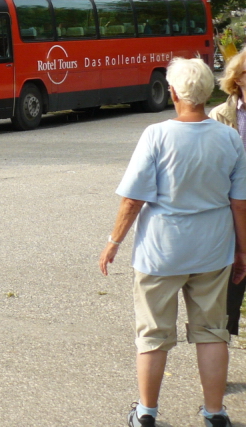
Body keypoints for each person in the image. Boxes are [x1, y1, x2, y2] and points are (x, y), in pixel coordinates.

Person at [99, 58, 246, 427]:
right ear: (206, 92)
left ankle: (146, 412)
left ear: (174, 92)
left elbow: (133, 199)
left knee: (153, 333)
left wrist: (114, 241)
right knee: (212, 332)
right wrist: (243, 249)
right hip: (213, 249)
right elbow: (239, 202)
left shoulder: (156, 134)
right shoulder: (229, 137)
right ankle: (215, 413)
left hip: (161, 251)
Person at [210, 49, 246, 335]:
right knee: (231, 281)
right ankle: (220, 344)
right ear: (236, 79)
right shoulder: (220, 115)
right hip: (233, 206)